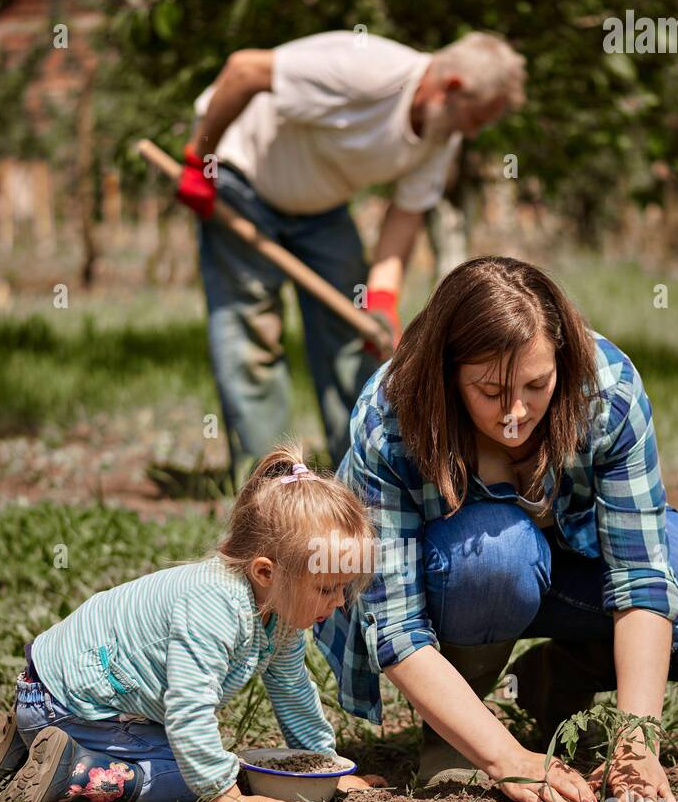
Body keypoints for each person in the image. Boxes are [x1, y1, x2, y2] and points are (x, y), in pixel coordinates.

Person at [315, 256, 678, 802]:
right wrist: (506, 757)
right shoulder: (392, 418)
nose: (515, 413)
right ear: (447, 375)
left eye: (537, 385)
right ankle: (455, 734)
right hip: (467, 578)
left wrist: (636, 741)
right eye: (490, 390)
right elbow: (396, 627)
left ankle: (557, 680)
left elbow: (641, 574)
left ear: (561, 357)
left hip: (574, 552)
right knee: (496, 554)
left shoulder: (606, 390)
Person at [177, 30, 525, 483]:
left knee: (355, 329)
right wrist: (198, 160)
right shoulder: (365, 71)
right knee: (251, 330)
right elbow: (244, 70)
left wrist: (382, 300)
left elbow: (405, 215)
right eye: (476, 119)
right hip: (242, 176)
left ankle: (360, 475)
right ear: (453, 87)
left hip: (321, 205)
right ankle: (269, 485)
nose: (473, 132)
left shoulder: (442, 135)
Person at [0, 446, 384, 802]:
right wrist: (228, 796)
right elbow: (188, 709)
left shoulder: (276, 611)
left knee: (206, 759)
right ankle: (72, 773)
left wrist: (323, 767)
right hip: (67, 702)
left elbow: (292, 688)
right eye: (327, 588)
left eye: (343, 589)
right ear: (266, 572)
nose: (338, 603)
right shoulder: (214, 607)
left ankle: (29, 746)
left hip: (62, 691)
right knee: (190, 775)